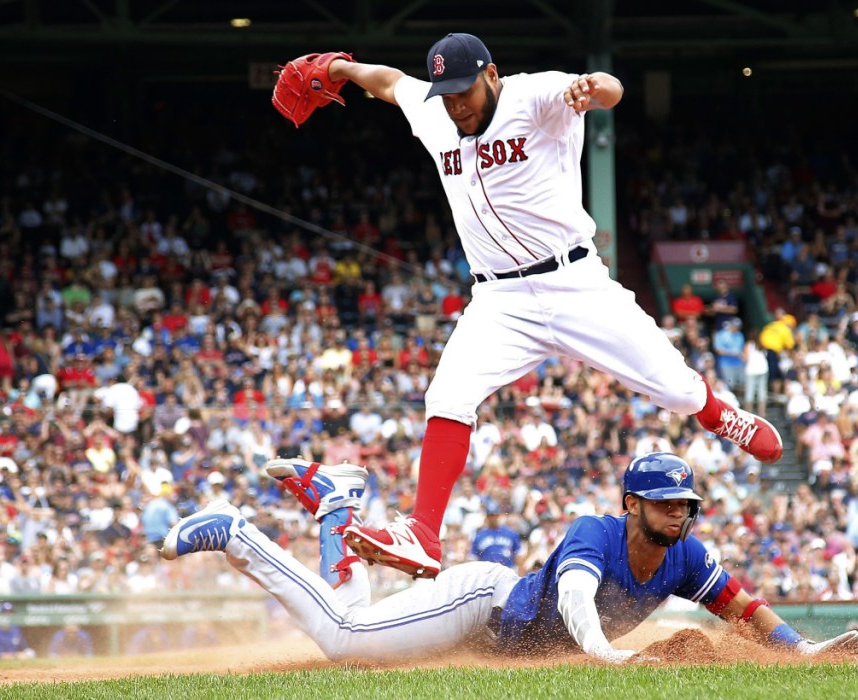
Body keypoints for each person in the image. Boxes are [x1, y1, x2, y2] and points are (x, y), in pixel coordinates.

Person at [290, 32, 783, 578]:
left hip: (573, 281)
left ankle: (723, 416)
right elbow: (389, 82)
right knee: (448, 394)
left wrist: (595, 87)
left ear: (491, 74)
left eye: (464, 91)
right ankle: (424, 534)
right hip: (499, 299)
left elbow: (610, 91)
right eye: (446, 94)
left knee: (672, 386)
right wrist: (338, 68)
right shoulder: (436, 115)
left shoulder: (536, 96)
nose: (456, 104)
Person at [161, 453, 858, 663]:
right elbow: (573, 603)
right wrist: (606, 654)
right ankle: (235, 532)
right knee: (345, 642)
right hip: (481, 605)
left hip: (492, 637)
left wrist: (801, 650)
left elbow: (741, 604)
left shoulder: (685, 555)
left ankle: (334, 503)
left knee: (354, 622)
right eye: (666, 503)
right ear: (633, 504)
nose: (680, 514)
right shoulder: (594, 532)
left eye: (685, 504)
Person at [471, 502, 523, 569]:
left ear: (498, 515)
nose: (492, 518)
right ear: (487, 516)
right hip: (487, 573)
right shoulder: (480, 535)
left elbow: (518, 555)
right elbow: (474, 557)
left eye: (494, 515)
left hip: (508, 571)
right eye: (490, 515)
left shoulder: (510, 533)